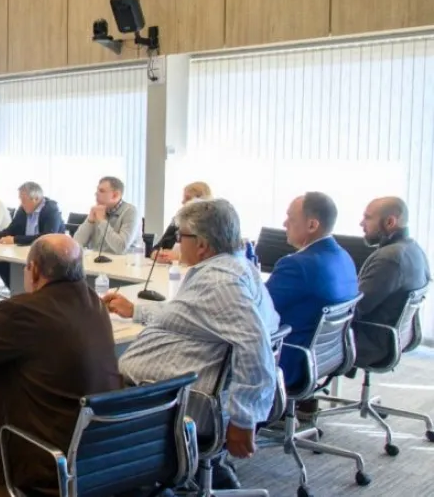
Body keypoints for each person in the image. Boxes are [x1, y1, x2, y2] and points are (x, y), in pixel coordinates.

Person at [105, 199, 278, 489]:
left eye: (180, 236)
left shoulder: (222, 283)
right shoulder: (235, 268)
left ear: (202, 244)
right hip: (191, 392)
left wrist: (244, 418)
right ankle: (206, 470)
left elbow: (254, 344)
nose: (176, 243)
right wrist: (136, 310)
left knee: (87, 391)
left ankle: (141, 480)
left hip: (178, 400)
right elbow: (190, 314)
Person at [0, 234, 122, 496]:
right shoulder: (94, 303)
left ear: (35, 270)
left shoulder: (21, 311)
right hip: (100, 448)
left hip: (51, 457)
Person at [266, 192, 357, 390]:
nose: (284, 223)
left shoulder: (296, 265)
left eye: (290, 218)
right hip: (327, 355)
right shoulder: (344, 257)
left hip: (291, 359)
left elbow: (257, 311)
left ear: (312, 225)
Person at [353, 197, 432, 368]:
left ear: (390, 222)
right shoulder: (415, 249)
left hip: (373, 342)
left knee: (304, 332)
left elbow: (357, 308)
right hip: (397, 335)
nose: (361, 223)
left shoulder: (389, 258)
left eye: (367, 217)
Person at [0, 182, 64, 290]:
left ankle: (29, 293)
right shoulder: (23, 209)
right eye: (20, 199)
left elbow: (46, 237)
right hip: (24, 253)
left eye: (23, 200)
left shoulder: (51, 210)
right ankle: (17, 291)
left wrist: (16, 239)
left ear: (35, 199)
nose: (21, 203)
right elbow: (12, 229)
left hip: (47, 255)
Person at [73, 176, 141, 255]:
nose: (96, 194)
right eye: (97, 190)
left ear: (115, 195)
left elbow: (121, 248)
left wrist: (102, 221)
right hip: (95, 263)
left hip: (123, 264)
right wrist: (90, 221)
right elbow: (76, 244)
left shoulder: (130, 211)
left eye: (101, 191)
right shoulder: (98, 210)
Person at [154, 181, 212, 263]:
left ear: (201, 201)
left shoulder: (212, 225)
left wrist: (179, 257)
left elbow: (210, 258)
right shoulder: (178, 220)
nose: (182, 202)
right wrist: (158, 255)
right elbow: (156, 249)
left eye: (187, 198)